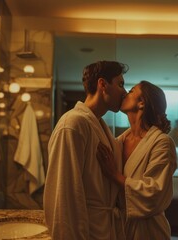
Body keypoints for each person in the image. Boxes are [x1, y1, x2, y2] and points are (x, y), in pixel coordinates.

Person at [43, 60, 128, 240]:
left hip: (104, 229)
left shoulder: (99, 125)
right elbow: (64, 194)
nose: (124, 92)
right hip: (87, 232)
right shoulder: (73, 124)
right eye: (120, 84)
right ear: (102, 84)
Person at [97, 80, 177, 240]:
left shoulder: (162, 143)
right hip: (120, 229)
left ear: (141, 103)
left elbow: (155, 193)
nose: (125, 92)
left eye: (132, 90)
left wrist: (115, 175)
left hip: (149, 232)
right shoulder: (118, 142)